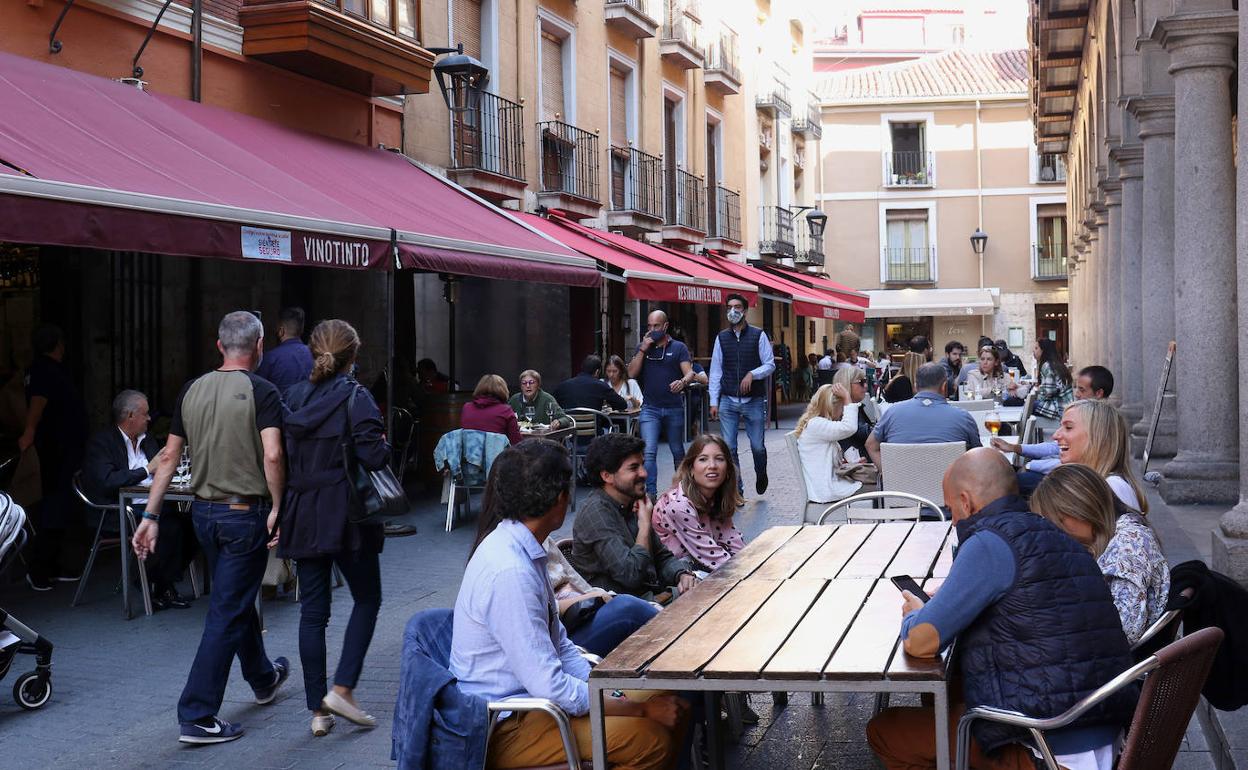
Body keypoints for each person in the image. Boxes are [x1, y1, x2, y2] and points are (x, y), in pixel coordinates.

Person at [866, 448, 1137, 770]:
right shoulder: (1054, 535)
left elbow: (921, 642)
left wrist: (913, 613)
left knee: (886, 731)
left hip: (1048, 747)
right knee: (953, 692)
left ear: (966, 502)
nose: (952, 519)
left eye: (951, 508)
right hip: (1103, 730)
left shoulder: (989, 542)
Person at [451, 439, 690, 769]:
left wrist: (613, 694)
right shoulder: (510, 572)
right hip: (510, 723)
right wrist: (637, 709)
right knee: (650, 738)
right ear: (560, 499)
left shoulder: (526, 548)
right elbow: (549, 684)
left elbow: (561, 647)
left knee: (671, 703)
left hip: (534, 702)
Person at [134, 311, 289, 745]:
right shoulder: (263, 390)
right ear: (260, 346)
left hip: (202, 513)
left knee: (233, 598)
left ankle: (262, 678)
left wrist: (150, 516)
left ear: (219, 346)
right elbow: (273, 455)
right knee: (227, 608)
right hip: (245, 514)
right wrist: (279, 505)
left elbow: (167, 458)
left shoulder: (192, 390)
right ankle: (198, 714)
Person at [277, 320, 390, 737]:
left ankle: (318, 711)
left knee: (313, 612)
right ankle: (342, 689)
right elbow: (374, 457)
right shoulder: (356, 397)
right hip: (346, 511)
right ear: (353, 356)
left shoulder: (292, 396)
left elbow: (280, 455)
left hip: (304, 508)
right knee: (367, 598)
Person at [469, 457, 658, 658]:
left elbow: (572, 578)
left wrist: (599, 595)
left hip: (575, 618)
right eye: (633, 467)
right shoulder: (507, 560)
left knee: (634, 611)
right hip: (567, 623)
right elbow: (534, 623)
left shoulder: (539, 537)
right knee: (629, 610)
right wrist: (592, 599)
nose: (643, 473)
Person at [1030, 464, 1170, 645]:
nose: (1051, 530)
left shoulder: (1129, 544)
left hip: (1128, 666)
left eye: (1055, 520)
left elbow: (1124, 630)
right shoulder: (1113, 537)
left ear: (1080, 508)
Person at [81, 389, 195, 611]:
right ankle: (161, 585)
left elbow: (162, 469)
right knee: (172, 526)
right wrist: (146, 470)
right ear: (130, 416)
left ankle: (156, 581)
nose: (150, 418)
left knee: (194, 521)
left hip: (150, 504)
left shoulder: (148, 439)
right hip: (118, 510)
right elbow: (108, 481)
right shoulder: (102, 442)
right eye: (146, 414)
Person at [569, 433, 697, 601]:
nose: (644, 473)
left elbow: (662, 557)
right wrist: (644, 525)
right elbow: (630, 574)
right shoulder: (596, 512)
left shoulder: (633, 502)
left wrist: (681, 575)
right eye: (633, 467)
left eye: (642, 465)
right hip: (624, 613)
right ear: (606, 475)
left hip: (652, 599)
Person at [19, 323, 88, 591]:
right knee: (54, 507)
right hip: (56, 452)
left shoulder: (43, 369)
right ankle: (39, 569)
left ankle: (52, 565)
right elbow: (38, 402)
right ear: (57, 343)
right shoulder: (45, 371)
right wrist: (29, 432)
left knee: (60, 506)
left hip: (63, 451)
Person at [990, 365, 1114, 495]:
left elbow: (1068, 463)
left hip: (1071, 481)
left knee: (1006, 483)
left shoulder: (1100, 424)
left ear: (1099, 393)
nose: (1076, 394)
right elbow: (1055, 448)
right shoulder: (1086, 414)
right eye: (1076, 388)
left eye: (1082, 390)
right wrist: (1016, 448)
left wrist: (1029, 465)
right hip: (1064, 473)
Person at [708, 294, 775, 497]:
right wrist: (714, 401)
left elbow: (770, 364)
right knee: (729, 448)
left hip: (753, 400)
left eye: (737, 307)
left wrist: (752, 374)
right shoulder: (721, 338)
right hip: (728, 400)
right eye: (729, 307)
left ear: (745, 311)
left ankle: (761, 472)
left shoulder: (758, 335)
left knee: (757, 447)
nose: (733, 311)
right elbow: (716, 371)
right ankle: (737, 490)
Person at [627, 310, 696, 499]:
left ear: (665, 326)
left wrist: (682, 382)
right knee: (649, 451)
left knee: (677, 450)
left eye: (656, 326)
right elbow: (631, 374)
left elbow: (690, 373)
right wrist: (643, 349)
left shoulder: (679, 347)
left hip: (673, 406)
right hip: (650, 408)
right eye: (649, 326)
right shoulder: (643, 348)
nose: (652, 330)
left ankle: (683, 490)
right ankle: (650, 493)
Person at [652, 434, 744, 573]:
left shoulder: (715, 497)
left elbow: (734, 541)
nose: (712, 466)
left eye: (719, 459)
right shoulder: (679, 506)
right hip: (677, 574)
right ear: (691, 470)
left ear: (728, 470)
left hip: (702, 563)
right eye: (703, 459)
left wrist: (754, 562)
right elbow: (712, 556)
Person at [867, 363, 981, 472]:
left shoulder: (892, 413)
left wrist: (889, 474)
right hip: (951, 490)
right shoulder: (963, 418)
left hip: (901, 491)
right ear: (944, 386)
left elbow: (870, 445)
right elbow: (978, 456)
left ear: (915, 386)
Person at [1052, 399, 1149, 512]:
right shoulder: (1095, 483)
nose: (1055, 435)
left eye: (1068, 427)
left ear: (1098, 438)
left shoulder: (1112, 488)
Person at [794, 379, 864, 509]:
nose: (843, 412)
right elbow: (849, 427)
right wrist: (848, 398)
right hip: (825, 491)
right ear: (833, 406)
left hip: (824, 487)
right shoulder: (816, 424)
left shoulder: (816, 424)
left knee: (872, 488)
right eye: (842, 407)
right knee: (874, 490)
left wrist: (848, 464)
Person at [255, 307, 313, 395]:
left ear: (281, 330)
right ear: (301, 330)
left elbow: (259, 391)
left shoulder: (271, 358)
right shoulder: (315, 354)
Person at [554, 355, 628, 413]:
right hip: (595, 430)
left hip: (571, 429)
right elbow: (622, 405)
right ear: (597, 372)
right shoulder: (601, 386)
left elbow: (552, 406)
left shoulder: (563, 386)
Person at [1028, 338, 1074, 431]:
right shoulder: (1055, 363)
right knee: (1031, 404)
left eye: (1036, 348)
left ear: (1044, 350)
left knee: (1028, 406)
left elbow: (1049, 392)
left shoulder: (1047, 365)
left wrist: (1035, 391)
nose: (1034, 351)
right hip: (1066, 406)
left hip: (1059, 408)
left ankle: (1025, 438)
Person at [508, 369, 572, 429]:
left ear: (538, 385)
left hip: (543, 438)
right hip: (520, 438)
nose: (527, 386)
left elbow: (565, 419)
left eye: (531, 382)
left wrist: (559, 422)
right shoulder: (515, 399)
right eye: (524, 383)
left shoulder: (547, 399)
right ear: (521, 386)